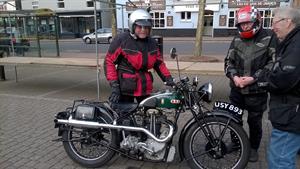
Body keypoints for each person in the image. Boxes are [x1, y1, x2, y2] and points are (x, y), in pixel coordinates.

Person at [224, 5, 278, 162]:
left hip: (257, 91)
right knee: (233, 118)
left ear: (257, 21)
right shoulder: (236, 39)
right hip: (237, 89)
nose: (245, 26)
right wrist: (234, 77)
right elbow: (228, 62)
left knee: (254, 122)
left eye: (248, 23)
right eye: (242, 24)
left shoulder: (269, 37)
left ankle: (253, 148)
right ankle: (236, 143)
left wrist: (254, 78)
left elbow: (273, 64)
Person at [256, 7, 300, 169]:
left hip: (290, 114)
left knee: (279, 160)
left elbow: (283, 78)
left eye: (274, 22)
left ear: (288, 22)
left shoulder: (296, 45)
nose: (272, 27)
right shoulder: (290, 42)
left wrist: (261, 79)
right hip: (290, 113)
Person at [104, 9, 174, 105]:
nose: (143, 30)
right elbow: (109, 61)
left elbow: (159, 63)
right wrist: (114, 86)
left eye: (146, 27)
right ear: (132, 26)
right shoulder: (122, 40)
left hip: (145, 87)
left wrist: (168, 79)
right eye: (139, 27)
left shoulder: (152, 43)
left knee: (150, 114)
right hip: (125, 88)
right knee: (125, 117)